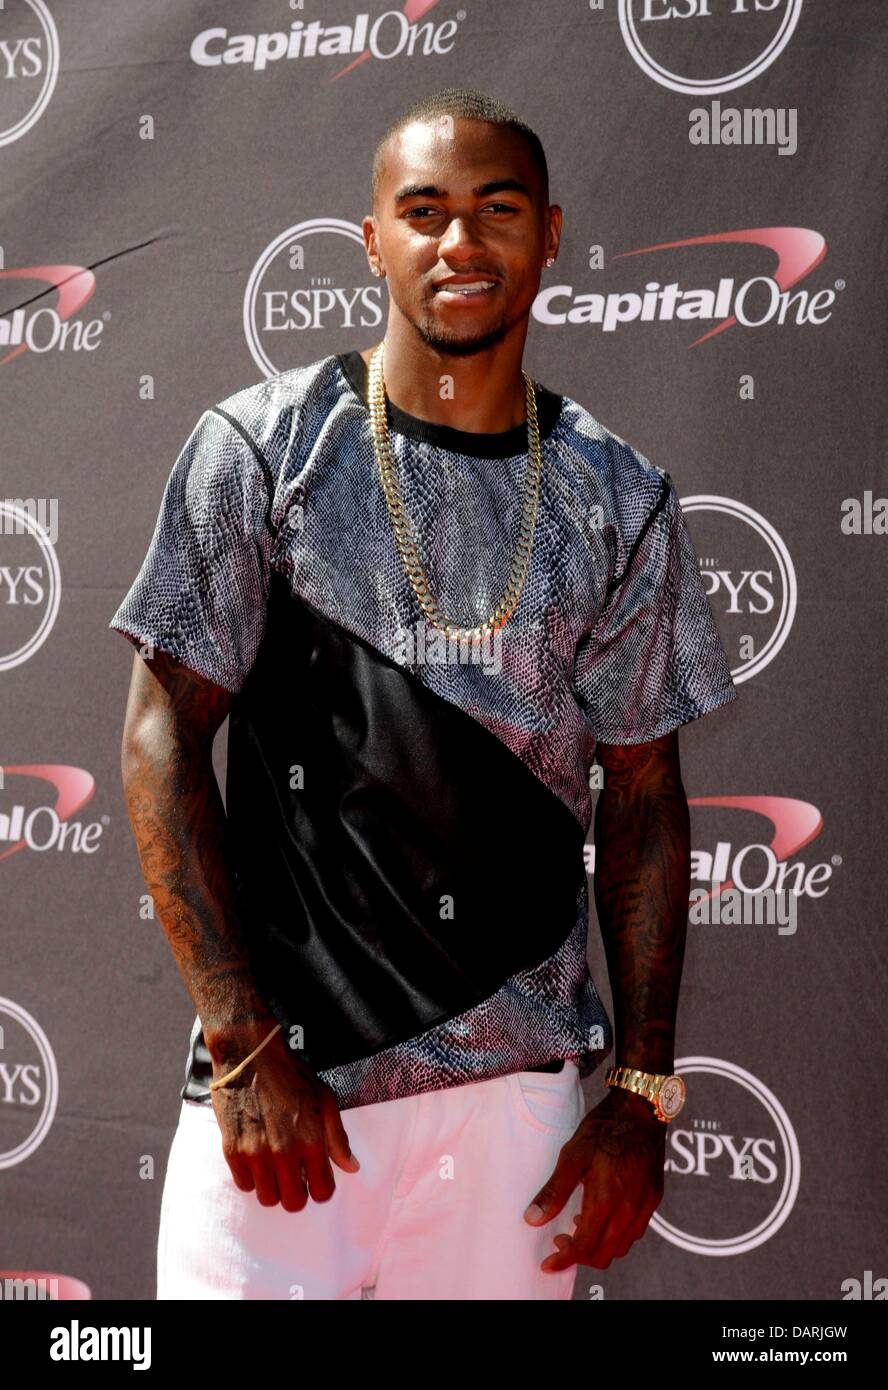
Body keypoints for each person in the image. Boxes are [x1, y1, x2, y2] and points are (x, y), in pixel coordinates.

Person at [109, 86, 736, 1301]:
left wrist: (641, 1090)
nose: (461, 242)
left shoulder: (621, 496)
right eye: (425, 211)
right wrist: (241, 1043)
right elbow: (160, 733)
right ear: (373, 240)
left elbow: (646, 796)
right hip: (288, 1096)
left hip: (516, 1120)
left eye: (498, 209)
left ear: (550, 235)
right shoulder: (263, 448)